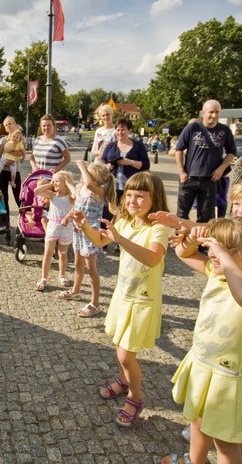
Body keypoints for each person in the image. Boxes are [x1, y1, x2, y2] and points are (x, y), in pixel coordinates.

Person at [163, 218, 242, 464]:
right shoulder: (218, 272)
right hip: (203, 366)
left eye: (220, 249)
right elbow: (183, 253)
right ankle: (195, 460)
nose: (211, 254)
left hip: (228, 378)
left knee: (225, 443)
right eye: (211, 248)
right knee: (197, 422)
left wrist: (223, 257)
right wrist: (193, 239)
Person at [71, 172, 170, 427]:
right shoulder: (125, 220)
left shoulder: (158, 227)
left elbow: (152, 258)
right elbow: (102, 240)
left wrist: (121, 240)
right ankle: (124, 379)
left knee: (127, 355)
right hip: (123, 295)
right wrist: (84, 225)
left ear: (155, 198)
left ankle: (135, 397)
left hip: (143, 302)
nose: (133, 201)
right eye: (129, 195)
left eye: (140, 196)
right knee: (119, 347)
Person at [55, 161, 117, 318]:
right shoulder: (82, 188)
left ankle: (95, 303)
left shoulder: (98, 192)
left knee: (91, 269)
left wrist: (82, 166)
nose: (82, 176)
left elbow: (89, 184)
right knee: (77, 263)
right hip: (78, 231)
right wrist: (68, 217)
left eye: (86, 174)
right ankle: (75, 290)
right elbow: (77, 206)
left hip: (91, 233)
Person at [173, 100, 236, 223]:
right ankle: (180, 240)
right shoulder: (193, 127)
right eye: (211, 112)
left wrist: (221, 168)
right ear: (203, 112)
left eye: (217, 112)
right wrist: (181, 171)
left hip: (210, 180)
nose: (214, 115)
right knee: (181, 215)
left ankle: (202, 242)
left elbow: (232, 152)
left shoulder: (224, 130)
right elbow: (179, 149)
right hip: (189, 178)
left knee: (206, 217)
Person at [34, 171, 75, 291]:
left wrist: (69, 184)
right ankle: (44, 278)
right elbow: (37, 191)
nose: (55, 183)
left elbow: (77, 196)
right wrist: (50, 183)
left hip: (66, 227)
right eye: (54, 180)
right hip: (53, 226)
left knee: (63, 253)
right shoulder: (52, 195)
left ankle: (62, 274)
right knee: (48, 253)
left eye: (58, 181)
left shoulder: (71, 197)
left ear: (66, 182)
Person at [102, 117, 150, 205]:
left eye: (123, 130)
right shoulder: (110, 146)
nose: (120, 133)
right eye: (118, 130)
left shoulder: (138, 146)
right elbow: (102, 162)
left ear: (129, 130)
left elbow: (146, 165)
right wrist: (107, 166)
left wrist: (130, 162)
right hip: (112, 187)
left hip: (131, 188)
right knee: (110, 213)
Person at [0, 116, 26, 212]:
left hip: (15, 171)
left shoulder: (21, 139)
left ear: (15, 124)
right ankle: (6, 221)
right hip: (4, 171)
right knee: (4, 197)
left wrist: (9, 153)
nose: (8, 126)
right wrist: (6, 162)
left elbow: (21, 153)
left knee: (18, 196)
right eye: (6, 125)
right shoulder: (3, 140)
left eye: (10, 123)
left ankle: (24, 218)